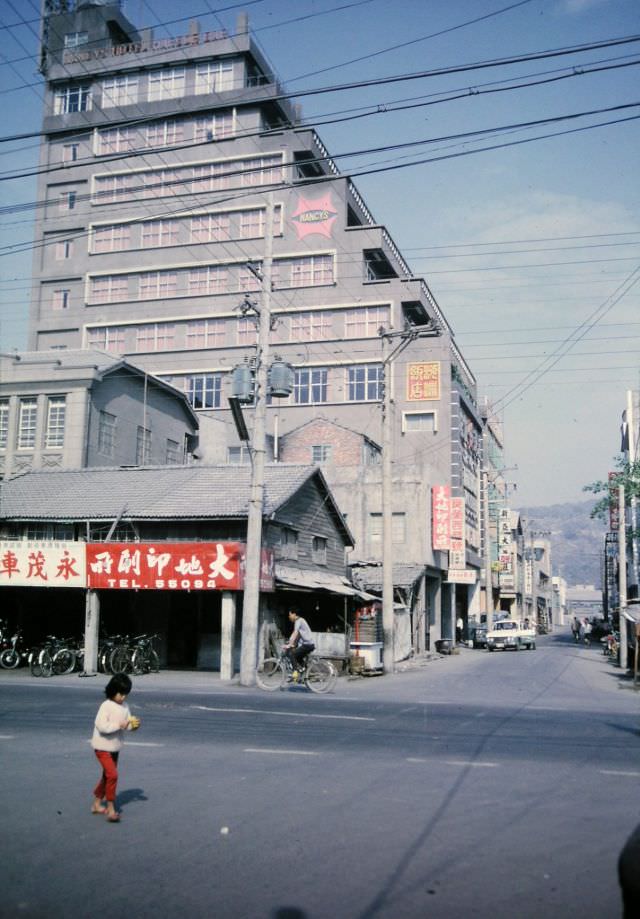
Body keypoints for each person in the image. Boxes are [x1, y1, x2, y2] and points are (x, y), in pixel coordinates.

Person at [90, 673, 140, 823]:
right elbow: (102, 726)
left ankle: (96, 804)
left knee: (107, 776)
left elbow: (127, 725)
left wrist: (133, 725)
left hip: (114, 747)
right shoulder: (106, 706)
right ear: (112, 691)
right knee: (112, 775)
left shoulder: (125, 707)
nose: (123, 697)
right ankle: (111, 808)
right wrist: (120, 725)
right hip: (102, 747)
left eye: (125, 694)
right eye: (120, 693)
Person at [283, 609, 315, 677]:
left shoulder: (298, 621)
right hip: (308, 644)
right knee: (297, 656)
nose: (289, 616)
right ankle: (303, 669)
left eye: (290, 614)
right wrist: (291, 642)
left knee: (292, 654)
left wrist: (289, 645)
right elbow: (297, 635)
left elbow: (295, 633)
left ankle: (295, 673)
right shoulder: (300, 621)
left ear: (294, 614)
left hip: (307, 645)